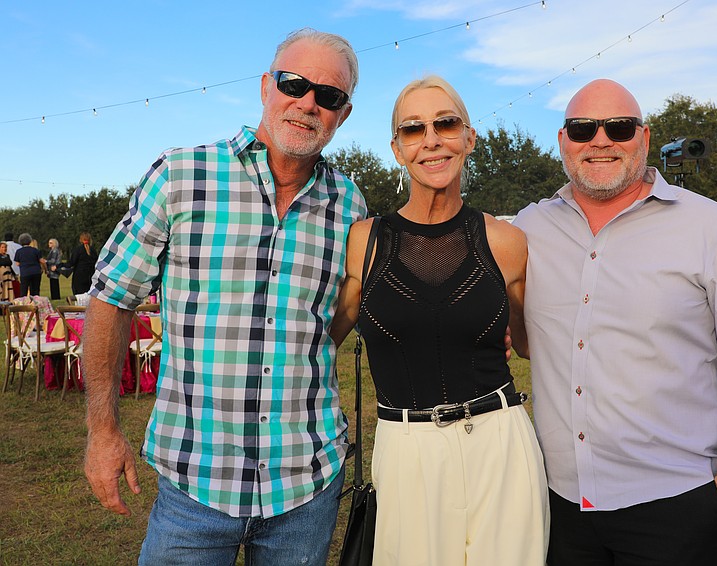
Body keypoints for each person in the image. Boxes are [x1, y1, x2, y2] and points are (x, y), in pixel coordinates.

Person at [82, 28, 365, 565]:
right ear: (266, 86)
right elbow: (111, 297)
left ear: (343, 114)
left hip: (306, 485)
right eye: (294, 84)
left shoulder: (349, 204)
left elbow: (340, 317)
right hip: (195, 485)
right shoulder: (182, 175)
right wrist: (103, 429)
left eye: (328, 95)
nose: (308, 103)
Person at [512, 78, 717, 566]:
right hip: (559, 505)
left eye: (619, 128)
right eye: (582, 129)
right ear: (563, 141)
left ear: (643, 137)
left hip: (678, 506)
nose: (600, 140)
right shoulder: (528, 228)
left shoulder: (715, 229)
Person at [331, 76, 548, 565]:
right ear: (397, 149)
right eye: (414, 129)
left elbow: (529, 342)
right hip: (406, 451)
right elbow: (323, 339)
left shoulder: (507, 242)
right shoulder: (364, 242)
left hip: (500, 447)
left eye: (446, 124)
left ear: (468, 138)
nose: (431, 140)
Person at [14, 233, 42, 297]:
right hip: (36, 272)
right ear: (29, 241)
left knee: (24, 290)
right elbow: (41, 260)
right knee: (35, 290)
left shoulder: (19, 251)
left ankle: (24, 302)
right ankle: (35, 301)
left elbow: (17, 263)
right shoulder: (35, 250)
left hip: (25, 272)